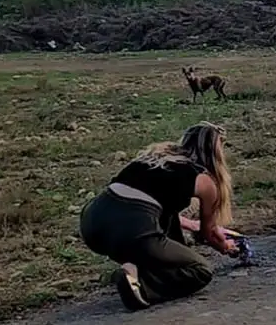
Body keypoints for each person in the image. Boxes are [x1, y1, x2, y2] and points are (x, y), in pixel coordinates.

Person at [79, 121, 236, 311]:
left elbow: (140, 202)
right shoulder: (204, 181)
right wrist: (227, 246)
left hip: (93, 222)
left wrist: (192, 225)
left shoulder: (153, 158)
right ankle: (143, 286)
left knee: (164, 219)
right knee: (200, 270)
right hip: (133, 229)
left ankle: (133, 270)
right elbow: (209, 233)